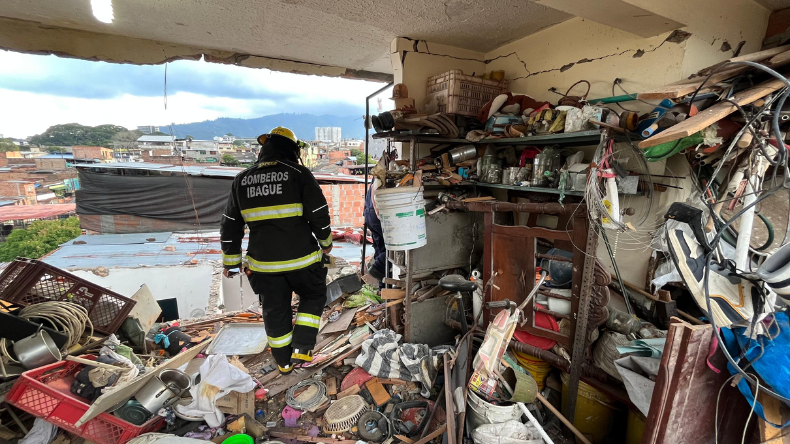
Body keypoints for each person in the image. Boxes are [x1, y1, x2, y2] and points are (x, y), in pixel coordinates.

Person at [220, 127, 332, 375]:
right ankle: (302, 348)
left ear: (264, 149)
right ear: (293, 149)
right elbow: (319, 213)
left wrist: (231, 263)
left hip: (264, 266)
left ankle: (284, 362)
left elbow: (230, 225)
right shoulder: (298, 173)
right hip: (303, 261)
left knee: (274, 310)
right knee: (313, 296)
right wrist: (326, 243)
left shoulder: (241, 180)